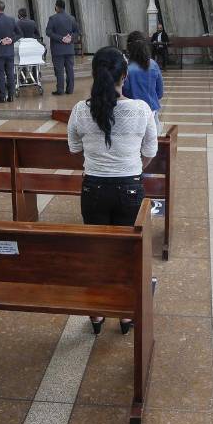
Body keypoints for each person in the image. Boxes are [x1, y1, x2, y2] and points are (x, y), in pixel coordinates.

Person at [67, 47, 158, 335]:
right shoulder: (141, 109)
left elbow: (74, 148)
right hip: (129, 188)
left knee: (97, 250)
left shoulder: (81, 110)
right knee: (127, 252)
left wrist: (97, 162)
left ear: (95, 74)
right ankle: (126, 315)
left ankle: (96, 314)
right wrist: (132, 168)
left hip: (93, 188)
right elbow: (150, 151)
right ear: (124, 75)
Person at [122, 32, 164, 122]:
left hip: (132, 114)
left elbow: (125, 93)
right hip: (152, 111)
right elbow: (160, 93)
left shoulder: (126, 69)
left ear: (129, 48)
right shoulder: (153, 64)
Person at [46, 0, 80, 95]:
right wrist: (70, 38)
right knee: (70, 70)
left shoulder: (52, 18)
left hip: (57, 50)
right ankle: (70, 90)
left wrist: (61, 38)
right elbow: (77, 32)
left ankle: (60, 90)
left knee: (59, 71)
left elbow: (48, 32)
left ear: (56, 7)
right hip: (69, 49)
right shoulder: (71, 18)